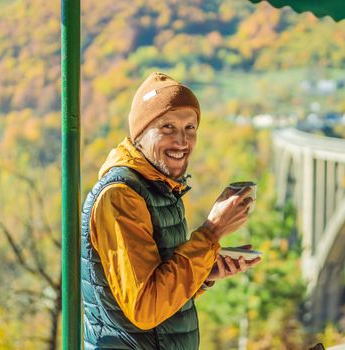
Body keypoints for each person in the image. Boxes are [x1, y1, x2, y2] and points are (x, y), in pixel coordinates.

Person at [81, 72, 261, 350]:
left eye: (190, 127)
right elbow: (145, 309)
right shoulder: (121, 196)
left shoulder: (161, 188)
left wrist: (205, 272)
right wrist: (212, 231)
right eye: (167, 127)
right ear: (140, 134)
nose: (182, 140)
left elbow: (161, 287)